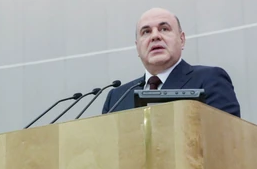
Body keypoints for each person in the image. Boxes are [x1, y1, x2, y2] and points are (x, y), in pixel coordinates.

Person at [102, 8, 241, 117]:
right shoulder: (117, 98)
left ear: (182, 40)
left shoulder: (210, 80)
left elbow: (224, 136)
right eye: (146, 32)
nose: (155, 36)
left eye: (164, 29)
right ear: (137, 46)